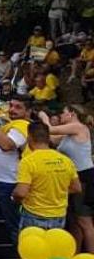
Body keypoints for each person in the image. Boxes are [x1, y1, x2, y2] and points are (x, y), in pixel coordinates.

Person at [43, 105, 94, 251]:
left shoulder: (78, 127)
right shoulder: (67, 134)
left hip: (84, 177)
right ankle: (74, 255)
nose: (60, 116)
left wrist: (44, 117)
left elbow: (49, 130)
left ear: (72, 113)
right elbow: (50, 138)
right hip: (71, 178)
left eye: (63, 113)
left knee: (85, 221)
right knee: (74, 222)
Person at [14, 121, 81, 231]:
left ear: (29, 138)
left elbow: (21, 192)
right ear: (48, 138)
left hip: (34, 214)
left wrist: (14, 198)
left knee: (32, 247)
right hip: (59, 216)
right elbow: (77, 188)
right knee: (54, 247)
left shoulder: (28, 161)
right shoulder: (65, 160)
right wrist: (56, 190)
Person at [0, 98, 32, 243]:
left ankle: (23, 257)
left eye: (18, 107)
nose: (12, 110)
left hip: (11, 184)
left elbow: (6, 145)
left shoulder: (22, 126)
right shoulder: (13, 125)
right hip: (5, 181)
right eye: (11, 106)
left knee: (16, 225)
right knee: (12, 223)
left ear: (28, 111)